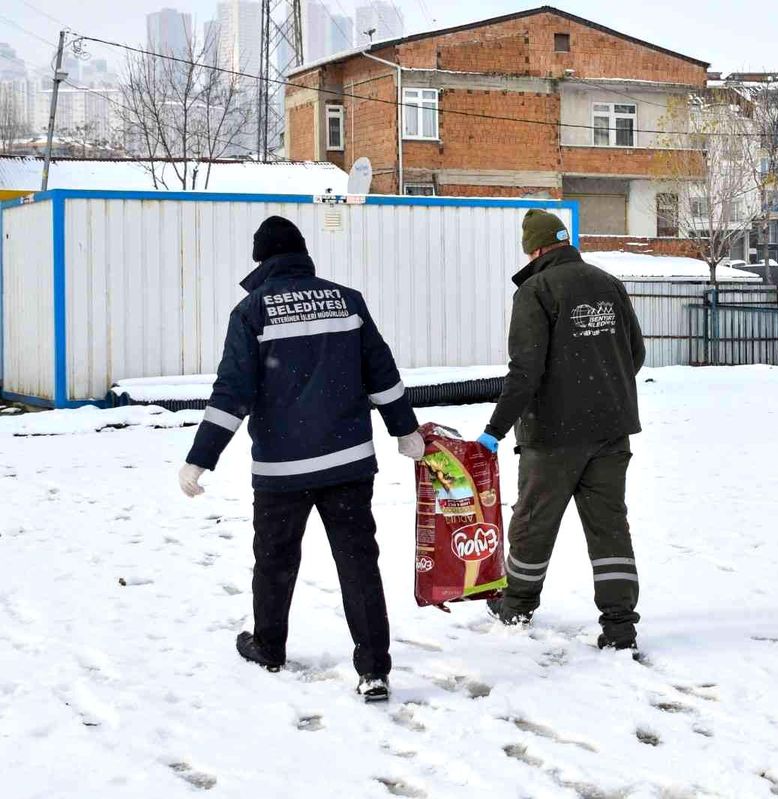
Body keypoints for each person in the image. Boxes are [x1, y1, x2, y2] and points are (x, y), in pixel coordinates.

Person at [177, 216, 425, 702]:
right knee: (358, 563)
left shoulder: (252, 311)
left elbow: (233, 393)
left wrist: (199, 459)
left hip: (282, 471)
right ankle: (373, 667)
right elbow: (382, 372)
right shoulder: (346, 301)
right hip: (347, 462)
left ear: (262, 261)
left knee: (274, 560)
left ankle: (269, 645)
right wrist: (405, 430)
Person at [479, 210, 645, 651]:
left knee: (534, 522)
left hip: (553, 435)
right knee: (609, 528)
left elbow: (525, 371)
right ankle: (619, 625)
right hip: (611, 430)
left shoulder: (536, 290)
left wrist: (494, 429)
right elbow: (635, 353)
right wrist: (599, 385)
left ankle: (516, 605)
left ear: (533, 249)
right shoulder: (607, 283)